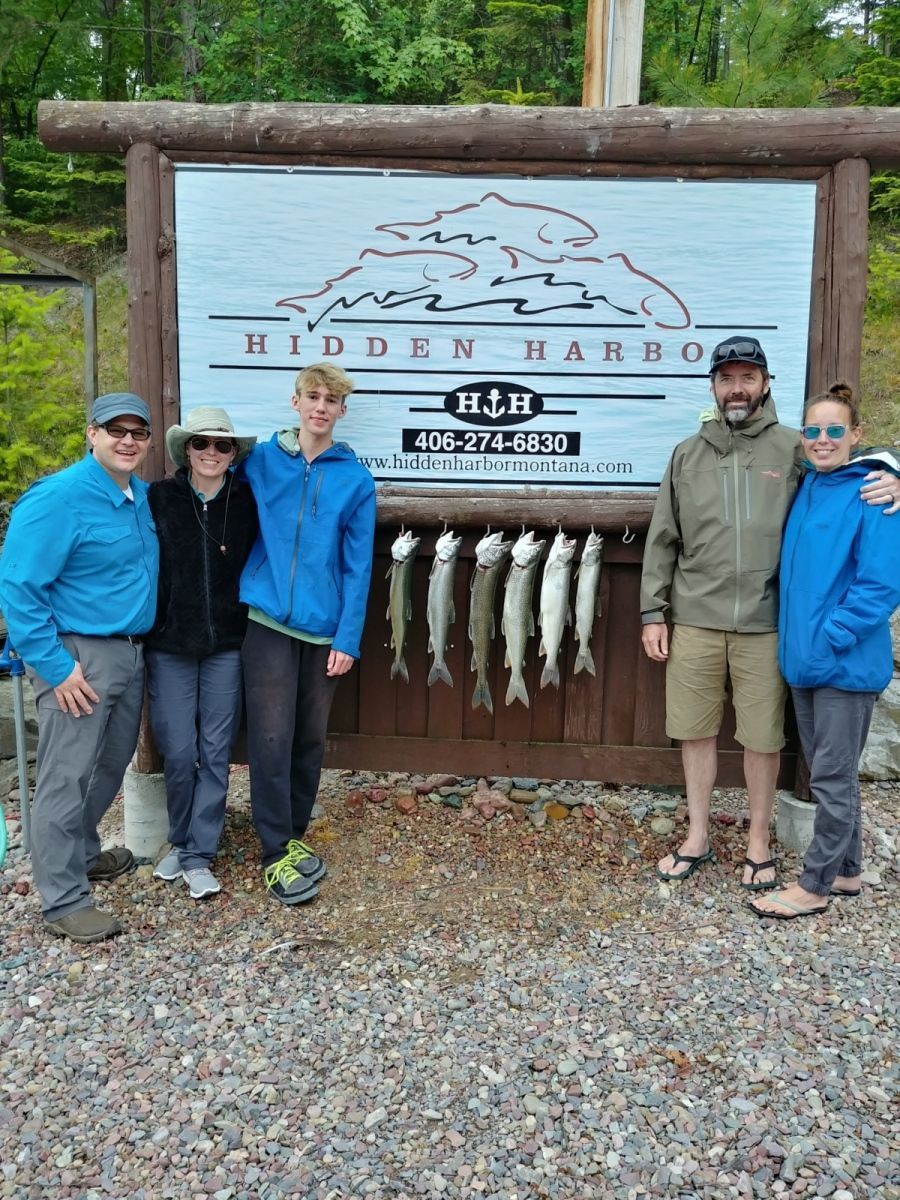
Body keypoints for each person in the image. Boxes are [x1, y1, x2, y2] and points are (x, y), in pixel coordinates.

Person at [640, 336, 900, 890]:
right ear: (714, 386)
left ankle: (759, 842)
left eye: (748, 377)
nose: (738, 388)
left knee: (762, 738)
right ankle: (697, 836)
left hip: (767, 623)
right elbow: (663, 538)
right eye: (727, 378)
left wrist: (895, 473)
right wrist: (652, 612)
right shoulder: (687, 454)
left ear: (764, 385)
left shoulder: (793, 448)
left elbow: (851, 472)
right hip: (695, 619)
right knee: (695, 732)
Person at [0, 393, 159, 943]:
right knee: (65, 777)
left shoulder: (138, 496)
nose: (128, 441)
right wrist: (55, 666)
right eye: (116, 429)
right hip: (78, 657)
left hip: (131, 651)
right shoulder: (58, 498)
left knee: (107, 767)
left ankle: (83, 854)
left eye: (139, 432)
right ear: (91, 433)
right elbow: (19, 588)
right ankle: (63, 899)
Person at [750, 384, 900, 918]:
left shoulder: (874, 491)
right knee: (828, 771)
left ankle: (814, 886)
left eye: (835, 430)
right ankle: (848, 871)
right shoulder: (810, 485)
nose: (822, 439)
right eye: (812, 430)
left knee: (831, 778)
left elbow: (881, 584)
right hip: (805, 661)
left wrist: (832, 635)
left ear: (856, 435)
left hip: (843, 662)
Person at [238, 363, 376, 906]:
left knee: (308, 738)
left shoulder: (355, 479)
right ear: (294, 402)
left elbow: (357, 566)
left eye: (331, 400)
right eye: (312, 396)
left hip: (324, 630)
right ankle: (274, 853)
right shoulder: (261, 461)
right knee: (270, 738)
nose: (321, 407)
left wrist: (347, 638)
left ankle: (292, 835)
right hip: (267, 619)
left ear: (342, 412)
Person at [146, 407, 258, 900]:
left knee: (215, 752)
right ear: (185, 449)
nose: (211, 453)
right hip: (169, 644)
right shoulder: (158, 498)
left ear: (234, 455)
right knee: (179, 749)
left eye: (222, 445)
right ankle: (180, 837)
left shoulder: (248, 501)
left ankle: (198, 854)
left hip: (226, 646)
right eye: (201, 444)